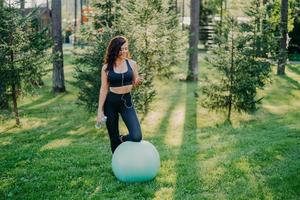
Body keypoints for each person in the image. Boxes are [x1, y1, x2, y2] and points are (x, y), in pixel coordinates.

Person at [96, 36, 144, 153]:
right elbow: (103, 89)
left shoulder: (132, 64)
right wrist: (100, 111)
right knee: (113, 138)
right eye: (121, 49)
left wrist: (137, 82)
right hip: (110, 103)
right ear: (115, 49)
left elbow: (135, 81)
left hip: (126, 102)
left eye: (126, 48)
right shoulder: (106, 68)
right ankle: (117, 165)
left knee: (136, 136)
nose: (124, 51)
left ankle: (121, 139)